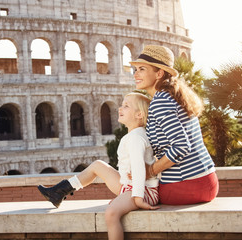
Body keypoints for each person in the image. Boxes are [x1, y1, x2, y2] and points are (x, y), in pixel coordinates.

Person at [38, 91, 159, 240]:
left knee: (111, 214)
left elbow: (140, 170)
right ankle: (59, 191)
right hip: (130, 186)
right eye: (121, 105)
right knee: (98, 166)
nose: (120, 108)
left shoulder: (136, 138)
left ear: (139, 115)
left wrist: (138, 198)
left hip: (143, 191)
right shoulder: (134, 135)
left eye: (126, 106)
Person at [129, 45, 219, 205]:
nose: (135, 74)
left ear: (159, 73)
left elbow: (181, 146)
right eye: (135, 69)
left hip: (186, 185)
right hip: (204, 180)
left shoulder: (161, 102)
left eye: (142, 69)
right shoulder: (171, 96)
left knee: (125, 189)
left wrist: (150, 171)